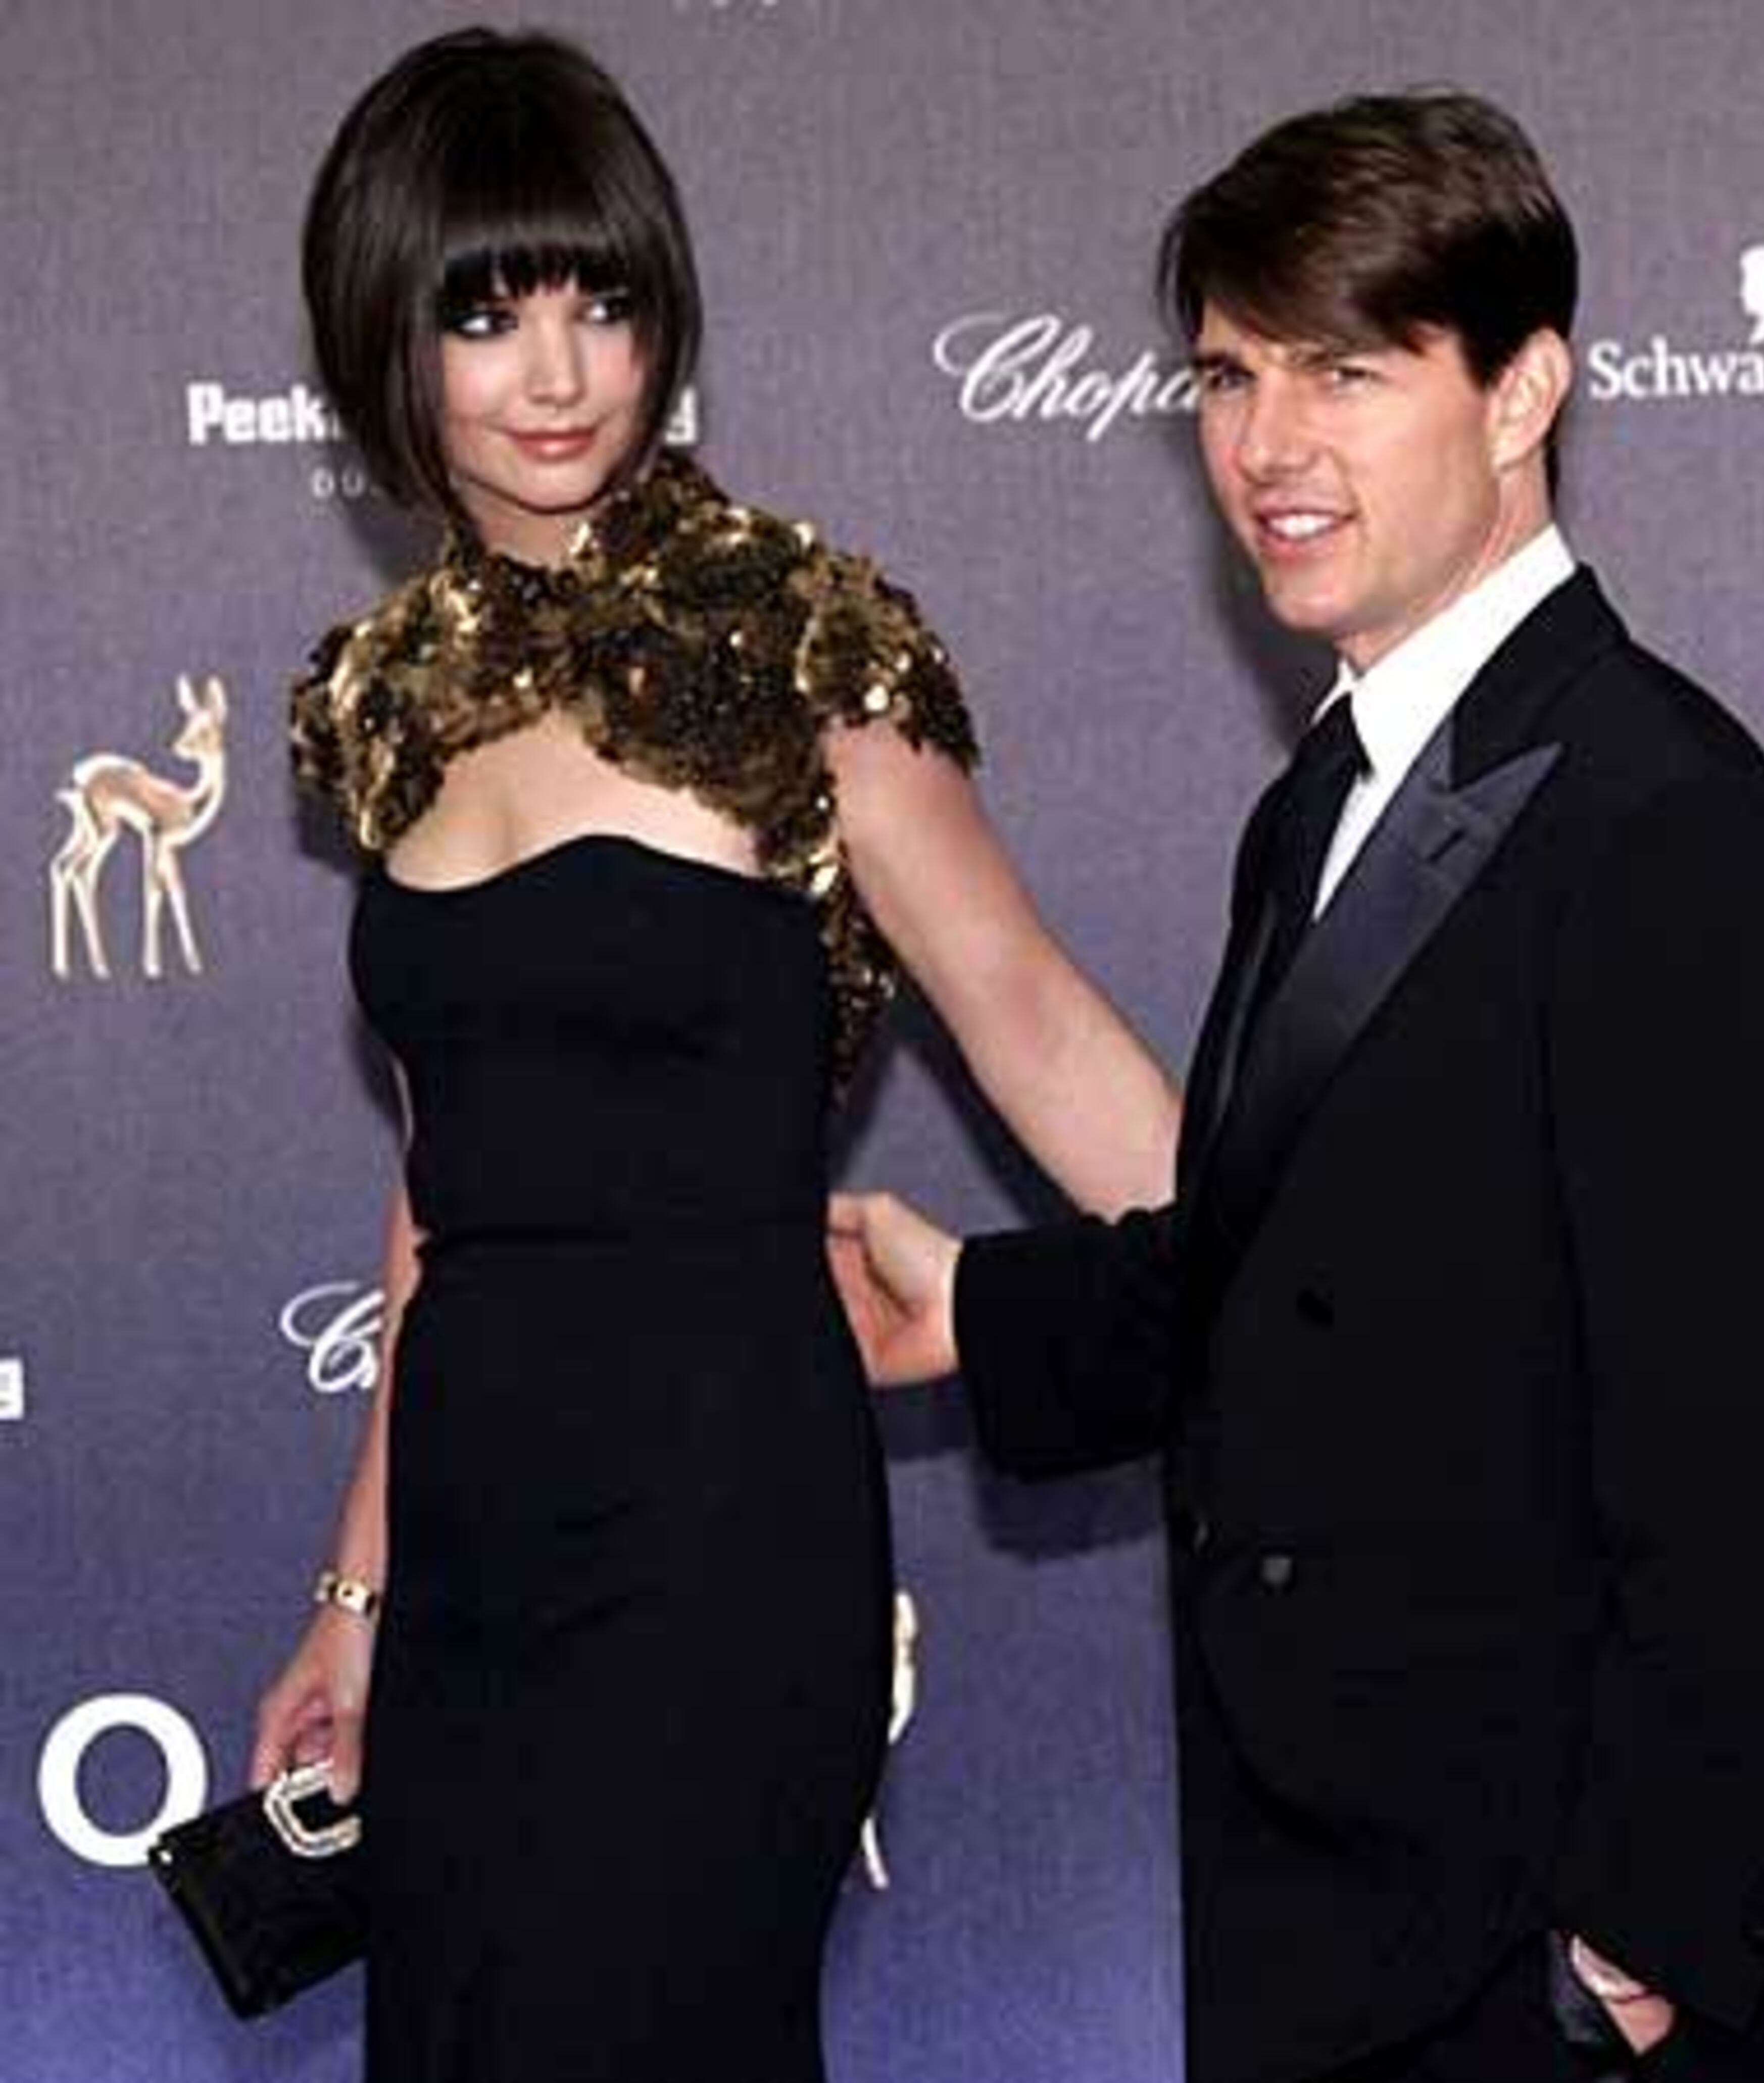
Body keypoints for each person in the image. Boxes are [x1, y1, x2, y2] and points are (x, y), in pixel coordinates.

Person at [832, 90, 1764, 2083]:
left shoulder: (1672, 827)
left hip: (1543, 1960)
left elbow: (1762, 1463)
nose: (1267, 448)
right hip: (1339, 1911)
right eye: (1231, 377)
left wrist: (1631, 1954)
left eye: (1346, 368)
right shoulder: (1328, 793)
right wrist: (977, 1304)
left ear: (1523, 392)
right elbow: (1304, 1265)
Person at [249, 27, 1178, 2083]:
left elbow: (1025, 1013)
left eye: (605, 301)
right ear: (382, 343)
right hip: (478, 1537)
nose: (559, 371)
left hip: (717, 1531)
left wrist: (1301, 1286)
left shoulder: (796, 642)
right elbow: (442, 1198)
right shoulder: (386, 702)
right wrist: (358, 1596)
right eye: (486, 313)